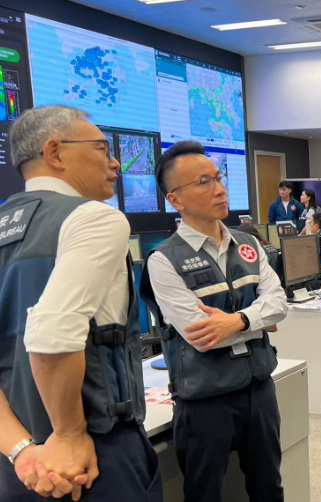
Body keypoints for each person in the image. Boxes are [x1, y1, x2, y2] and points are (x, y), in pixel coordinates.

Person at [0, 105, 161, 501]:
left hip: (23, 464)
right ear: (55, 153)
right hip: (92, 455)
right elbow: (50, 333)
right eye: (102, 148)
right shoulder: (94, 218)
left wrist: (24, 452)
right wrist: (68, 433)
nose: (115, 161)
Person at [141, 140, 288, 502]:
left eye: (218, 178)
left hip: (259, 390)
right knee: (204, 494)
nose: (220, 188)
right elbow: (201, 335)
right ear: (175, 199)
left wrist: (237, 320)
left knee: (269, 487)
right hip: (205, 401)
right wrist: (257, 320)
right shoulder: (163, 260)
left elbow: (280, 303)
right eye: (204, 182)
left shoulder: (246, 244)